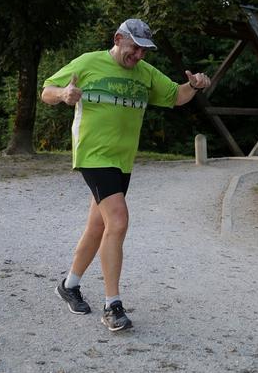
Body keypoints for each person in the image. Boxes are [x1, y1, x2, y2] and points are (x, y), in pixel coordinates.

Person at [41, 18, 210, 332]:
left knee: (99, 225)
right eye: (135, 48)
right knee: (118, 220)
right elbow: (46, 91)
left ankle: (69, 285)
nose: (139, 56)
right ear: (118, 39)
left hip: (123, 161)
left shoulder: (145, 74)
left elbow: (176, 96)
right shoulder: (89, 62)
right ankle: (112, 305)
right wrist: (64, 94)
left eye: (144, 51)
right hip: (93, 154)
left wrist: (195, 86)